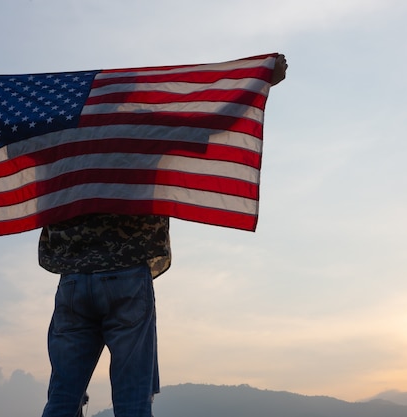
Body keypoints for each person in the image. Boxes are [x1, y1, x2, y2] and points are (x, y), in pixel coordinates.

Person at [39, 54, 288, 417]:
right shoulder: (147, 129)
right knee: (132, 398)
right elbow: (213, 123)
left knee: (63, 396)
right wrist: (261, 81)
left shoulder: (63, 133)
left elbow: (13, 144)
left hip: (73, 282)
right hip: (127, 277)